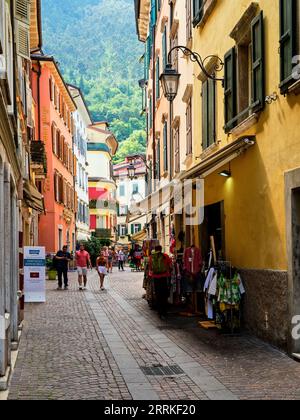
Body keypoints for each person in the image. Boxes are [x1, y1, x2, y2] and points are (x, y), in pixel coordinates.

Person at [149, 245, 172, 319]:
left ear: (155, 250)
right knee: (164, 295)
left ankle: (159, 312)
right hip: (164, 277)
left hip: (155, 278)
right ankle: (164, 312)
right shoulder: (165, 256)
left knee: (158, 295)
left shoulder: (151, 257)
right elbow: (170, 266)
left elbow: (150, 268)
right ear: (161, 249)